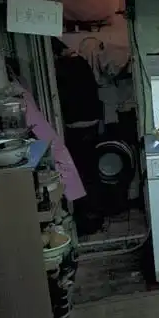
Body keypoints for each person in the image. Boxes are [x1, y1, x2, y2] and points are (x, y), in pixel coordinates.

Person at [52, 38, 103, 234]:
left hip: (77, 126)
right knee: (91, 172)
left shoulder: (62, 67)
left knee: (80, 173)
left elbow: (62, 97)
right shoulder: (82, 62)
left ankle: (87, 220)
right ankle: (96, 216)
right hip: (92, 122)